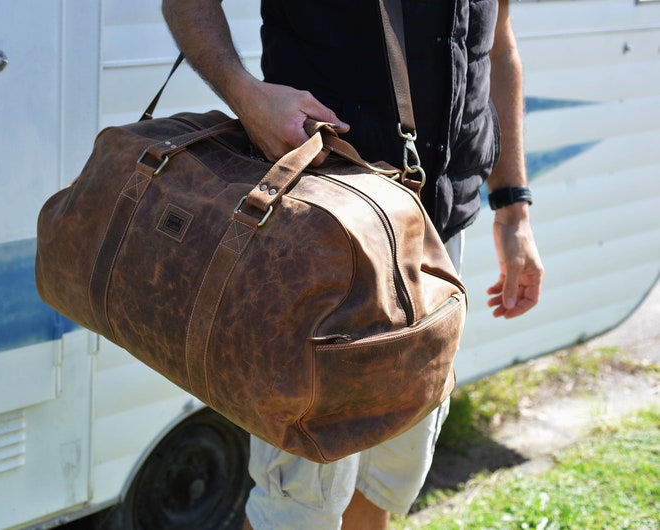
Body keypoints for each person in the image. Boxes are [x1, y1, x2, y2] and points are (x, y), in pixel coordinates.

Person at [161, 0, 544, 528]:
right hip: (320, 238)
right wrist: (245, 94)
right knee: (294, 507)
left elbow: (497, 42)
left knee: (390, 477)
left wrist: (514, 207)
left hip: (437, 241)